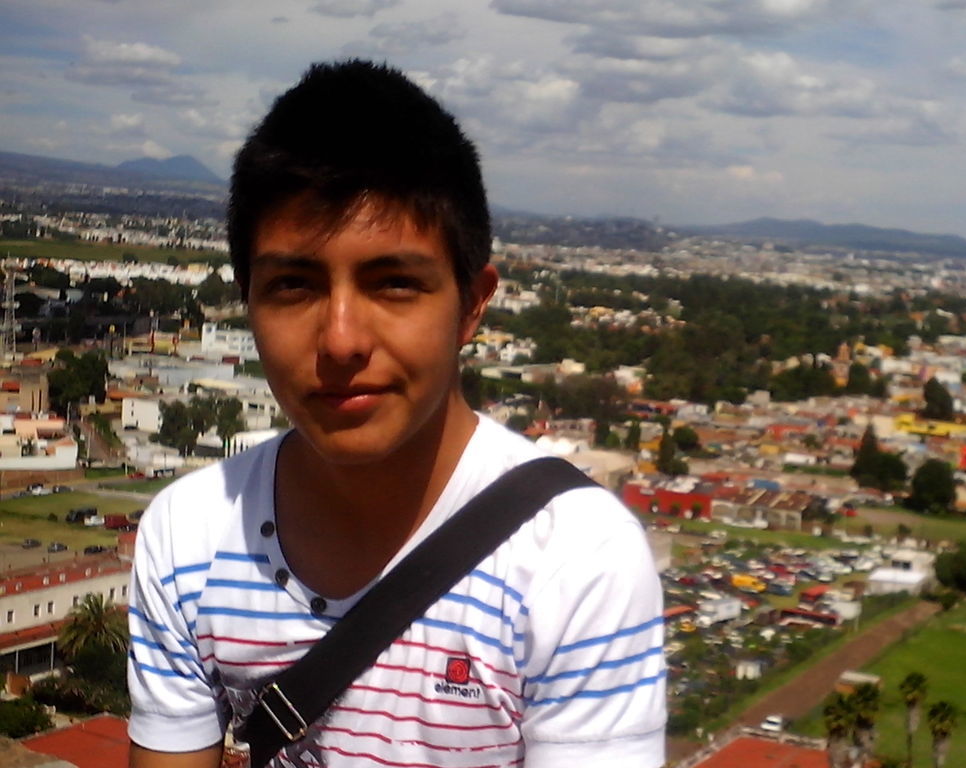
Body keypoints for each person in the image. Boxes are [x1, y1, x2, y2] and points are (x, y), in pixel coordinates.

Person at [127, 60, 666, 768]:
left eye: (395, 285)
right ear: (247, 299)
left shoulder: (574, 559)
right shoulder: (189, 536)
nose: (342, 340)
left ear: (473, 302)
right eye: (294, 285)